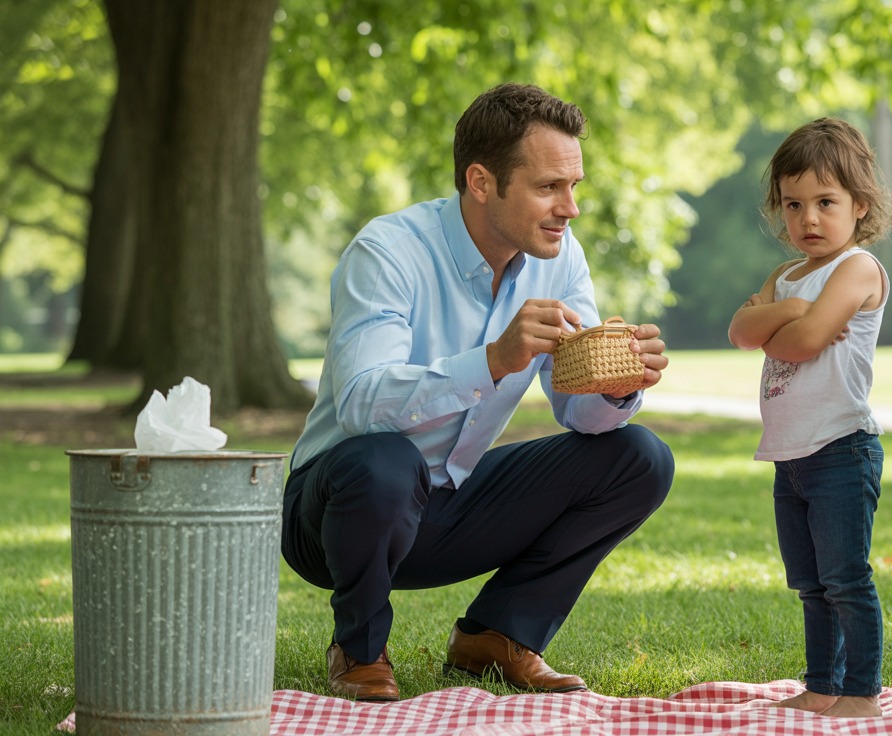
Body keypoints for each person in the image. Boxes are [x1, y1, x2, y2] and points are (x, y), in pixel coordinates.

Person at [281, 82, 675, 702]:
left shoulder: (560, 257)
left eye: (574, 186)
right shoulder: (388, 252)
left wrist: (617, 387)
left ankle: (496, 636)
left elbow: (580, 413)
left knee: (639, 457)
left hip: (449, 503)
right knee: (386, 460)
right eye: (549, 187)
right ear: (482, 181)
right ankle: (358, 650)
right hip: (335, 511)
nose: (569, 208)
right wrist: (491, 361)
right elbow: (360, 402)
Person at [726, 118, 892, 719]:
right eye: (794, 204)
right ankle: (822, 685)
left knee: (847, 580)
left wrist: (783, 320)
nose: (809, 219)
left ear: (860, 205)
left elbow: (800, 343)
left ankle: (862, 693)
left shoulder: (857, 268)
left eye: (826, 202)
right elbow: (740, 331)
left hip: (841, 449)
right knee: (810, 584)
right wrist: (792, 309)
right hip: (791, 456)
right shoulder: (790, 277)